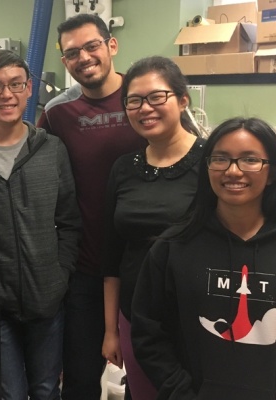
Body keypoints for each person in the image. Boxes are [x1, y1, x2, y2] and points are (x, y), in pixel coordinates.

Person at [131, 116, 276, 400]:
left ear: (272, 173)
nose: (233, 171)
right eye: (221, 159)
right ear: (207, 168)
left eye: (250, 160)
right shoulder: (173, 246)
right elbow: (149, 333)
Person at [37, 14, 147, 399]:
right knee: (81, 380)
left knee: (149, 380)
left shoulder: (145, 102)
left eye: (91, 46)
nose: (83, 57)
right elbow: (31, 171)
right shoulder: (57, 115)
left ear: (111, 45)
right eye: (72, 52)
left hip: (144, 269)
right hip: (86, 271)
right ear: (64, 61)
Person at [0, 49, 82, 399]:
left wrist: (59, 277)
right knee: (10, 394)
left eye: (16, 84)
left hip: (46, 298)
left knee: (46, 390)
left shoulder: (51, 150)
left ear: (29, 88)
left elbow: (69, 222)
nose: (7, 95)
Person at [102, 56, 205, 400]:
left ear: (182, 100)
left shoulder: (212, 163)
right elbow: (112, 255)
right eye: (134, 100)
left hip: (199, 319)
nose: (145, 108)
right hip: (136, 318)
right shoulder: (123, 169)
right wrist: (111, 330)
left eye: (157, 97)